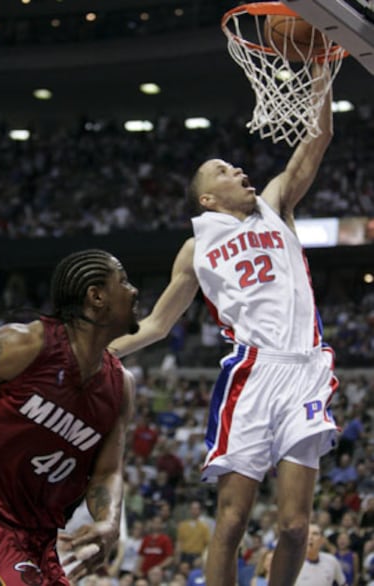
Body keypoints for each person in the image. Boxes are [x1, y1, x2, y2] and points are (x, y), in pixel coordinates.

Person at [109, 64, 338, 586]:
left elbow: (319, 135)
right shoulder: (197, 246)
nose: (238, 171)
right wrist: (86, 351)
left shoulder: (276, 204)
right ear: (207, 198)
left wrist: (323, 69)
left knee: (297, 525)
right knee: (232, 520)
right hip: (252, 375)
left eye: (236, 166)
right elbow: (156, 326)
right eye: (223, 170)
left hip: (303, 369)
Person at [0, 249, 139, 585]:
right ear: (95, 296)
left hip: (39, 541)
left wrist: (108, 523)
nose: (134, 290)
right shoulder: (23, 344)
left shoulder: (121, 387)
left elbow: (107, 471)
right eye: (124, 281)